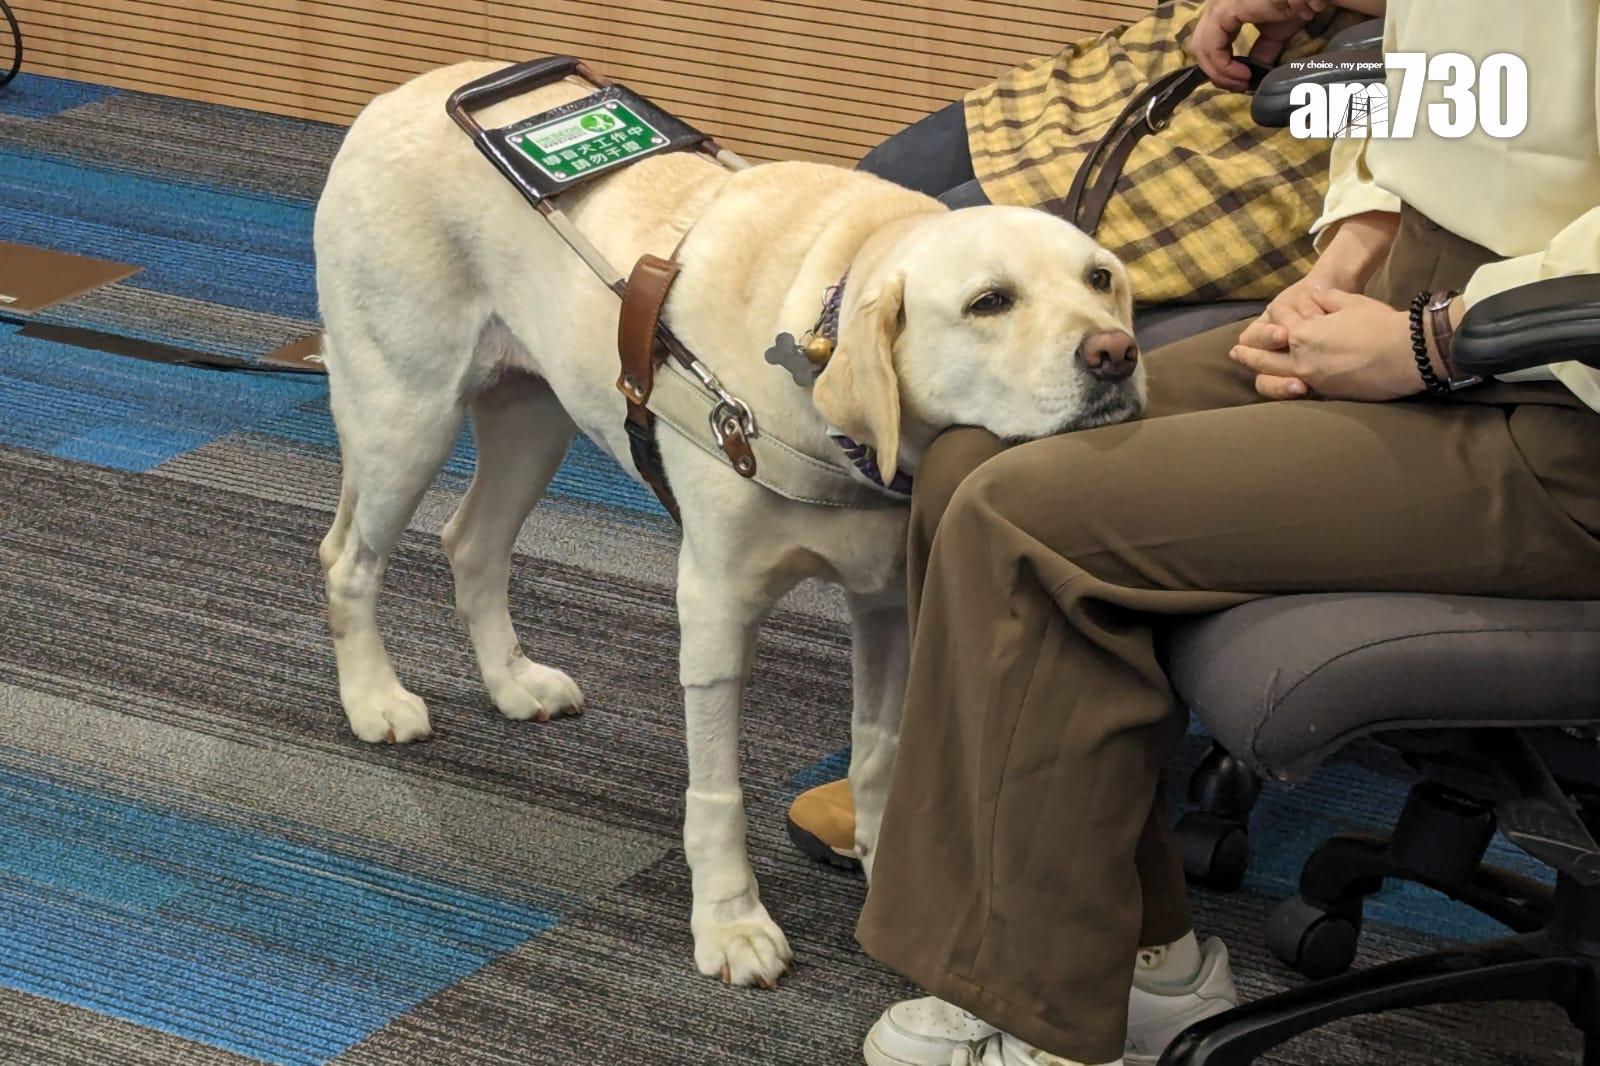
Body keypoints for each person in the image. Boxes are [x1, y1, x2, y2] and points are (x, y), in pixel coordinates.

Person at [856, 0, 1600, 1064]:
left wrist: (1432, 342)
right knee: (974, 456)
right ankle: (1142, 959)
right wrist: (1353, 254)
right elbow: (1472, 91)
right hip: (1424, 304)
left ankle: (1041, 1007)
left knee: (1027, 520)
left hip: (1556, 393)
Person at [788, 0, 1384, 874]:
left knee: (974, 371)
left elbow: (1489, 105)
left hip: (1323, 120)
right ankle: (927, 724)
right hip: (1176, 69)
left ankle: (951, 763)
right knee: (867, 225)